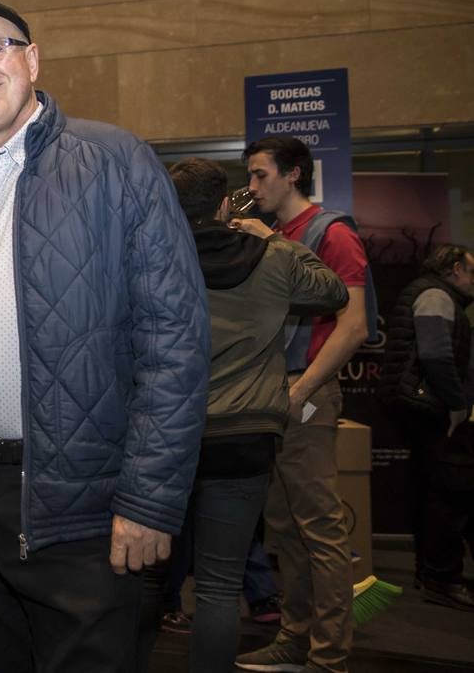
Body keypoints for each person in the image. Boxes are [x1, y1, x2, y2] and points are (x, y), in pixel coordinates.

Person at [0, 0, 208, 673]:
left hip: (83, 500)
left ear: (32, 59)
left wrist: (150, 500)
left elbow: (175, 342)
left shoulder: (116, 163)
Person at [136, 157, 348, 672]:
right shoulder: (272, 257)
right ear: (226, 203)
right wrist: (272, 238)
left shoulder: (151, 257)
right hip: (244, 437)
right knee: (218, 584)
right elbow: (333, 291)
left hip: (165, 437)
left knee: (141, 577)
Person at [233, 136, 372, 673]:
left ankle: (329, 656)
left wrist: (302, 389)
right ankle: (296, 639)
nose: (252, 187)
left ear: (293, 174)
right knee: (286, 527)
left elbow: (353, 325)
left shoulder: (331, 232)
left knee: (319, 527)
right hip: (275, 393)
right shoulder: (277, 235)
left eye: (260, 175)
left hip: (303, 393)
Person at [383, 243, 474, 610]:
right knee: (448, 492)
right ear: (455, 268)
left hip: (415, 402)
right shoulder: (436, 295)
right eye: (472, 271)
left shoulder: (428, 292)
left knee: (431, 489)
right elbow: (435, 354)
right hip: (428, 405)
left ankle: (432, 572)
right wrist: (456, 403)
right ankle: (441, 577)